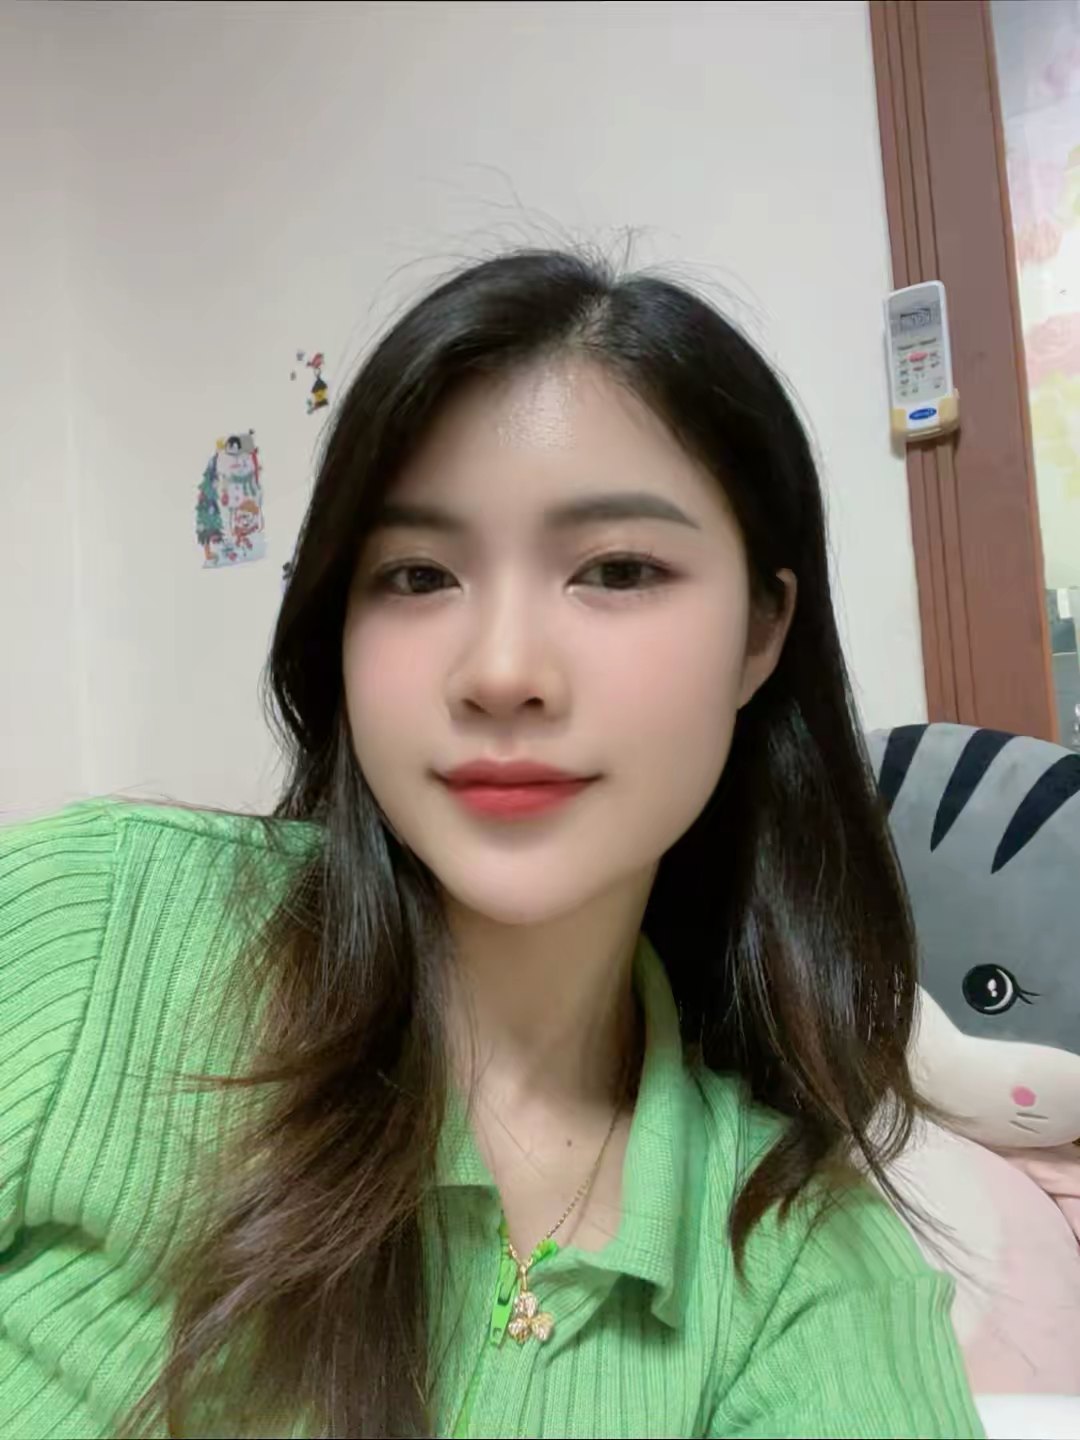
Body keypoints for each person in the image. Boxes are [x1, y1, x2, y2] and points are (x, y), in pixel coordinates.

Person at [0, 250, 983, 1440]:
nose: (502, 671)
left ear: (760, 632)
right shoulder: (98, 933)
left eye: (618, 570)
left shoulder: (805, 1272)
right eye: (417, 575)